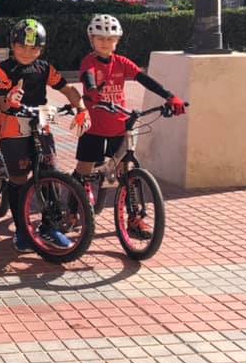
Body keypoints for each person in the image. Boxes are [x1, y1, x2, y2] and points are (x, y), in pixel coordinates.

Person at [77, 14, 186, 239]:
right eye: (100, 39)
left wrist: (169, 96)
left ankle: (135, 218)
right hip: (94, 127)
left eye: (110, 39)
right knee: (84, 169)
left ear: (117, 41)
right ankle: (71, 211)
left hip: (119, 126)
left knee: (127, 172)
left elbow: (143, 79)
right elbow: (88, 78)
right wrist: (94, 93)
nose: (105, 43)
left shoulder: (122, 63)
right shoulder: (90, 62)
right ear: (91, 40)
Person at [0, 18, 89, 253]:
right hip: (13, 126)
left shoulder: (45, 68)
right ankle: (22, 230)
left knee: (50, 173)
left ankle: (50, 226)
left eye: (34, 48)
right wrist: (10, 100)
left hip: (41, 122)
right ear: (12, 45)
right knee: (18, 178)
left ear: (42, 49)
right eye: (22, 46)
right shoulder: (3, 69)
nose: (27, 52)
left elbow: (67, 88)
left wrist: (81, 108)